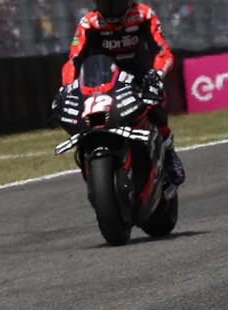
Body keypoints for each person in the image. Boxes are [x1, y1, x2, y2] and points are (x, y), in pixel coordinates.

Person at [61, 0, 186, 186]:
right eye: (106, 3)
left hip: (139, 77)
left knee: (156, 109)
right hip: (103, 79)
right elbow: (73, 60)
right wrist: (67, 87)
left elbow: (163, 52)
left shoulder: (144, 15)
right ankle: (88, 157)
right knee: (86, 119)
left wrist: (157, 75)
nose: (112, 9)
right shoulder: (88, 23)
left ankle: (168, 153)